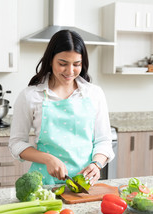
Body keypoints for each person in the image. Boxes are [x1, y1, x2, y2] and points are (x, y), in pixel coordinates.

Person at [9, 29, 114, 185]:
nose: (70, 71)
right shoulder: (31, 95)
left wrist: (96, 164)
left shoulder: (94, 94)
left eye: (76, 64)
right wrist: (48, 159)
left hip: (83, 184)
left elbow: (104, 140)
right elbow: (16, 143)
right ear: (50, 60)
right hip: (44, 184)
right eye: (62, 64)